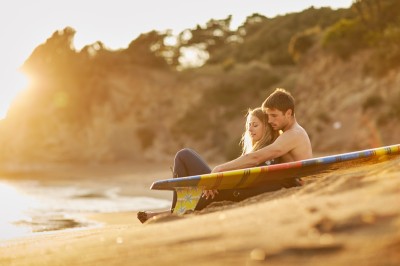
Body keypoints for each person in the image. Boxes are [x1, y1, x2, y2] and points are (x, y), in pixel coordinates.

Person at [137, 107, 280, 223]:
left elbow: (251, 179)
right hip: (224, 190)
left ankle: (174, 212)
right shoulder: (260, 151)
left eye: (255, 125)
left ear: (266, 128)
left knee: (184, 155)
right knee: (185, 158)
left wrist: (215, 179)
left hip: (224, 193)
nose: (250, 129)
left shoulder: (264, 153)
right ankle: (171, 211)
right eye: (248, 125)